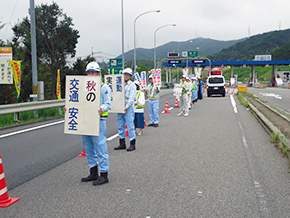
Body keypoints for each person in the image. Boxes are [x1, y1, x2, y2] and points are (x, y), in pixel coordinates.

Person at [64, 62, 111, 186]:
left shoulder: (104, 87)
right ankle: (93, 172)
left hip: (98, 121)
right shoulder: (83, 87)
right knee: (89, 148)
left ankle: (104, 175)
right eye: (89, 72)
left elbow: (108, 104)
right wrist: (69, 108)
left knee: (101, 148)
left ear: (98, 74)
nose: (90, 75)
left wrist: (102, 108)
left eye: (93, 72)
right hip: (85, 121)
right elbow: (79, 102)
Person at [114, 68, 137, 152]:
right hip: (120, 106)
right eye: (124, 74)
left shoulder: (132, 85)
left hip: (128, 106)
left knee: (130, 124)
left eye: (127, 75)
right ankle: (122, 142)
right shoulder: (119, 84)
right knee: (120, 124)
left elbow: (131, 98)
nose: (126, 76)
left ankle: (132, 143)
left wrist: (126, 106)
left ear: (130, 76)